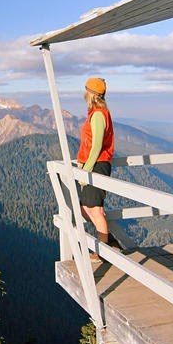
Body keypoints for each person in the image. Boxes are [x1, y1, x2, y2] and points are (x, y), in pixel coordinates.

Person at [77, 77, 115, 250]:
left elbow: (97, 145)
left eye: (86, 90)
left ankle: (104, 249)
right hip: (95, 164)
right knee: (86, 208)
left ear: (91, 94)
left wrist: (86, 170)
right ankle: (110, 242)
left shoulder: (98, 114)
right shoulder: (97, 112)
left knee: (95, 209)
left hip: (97, 165)